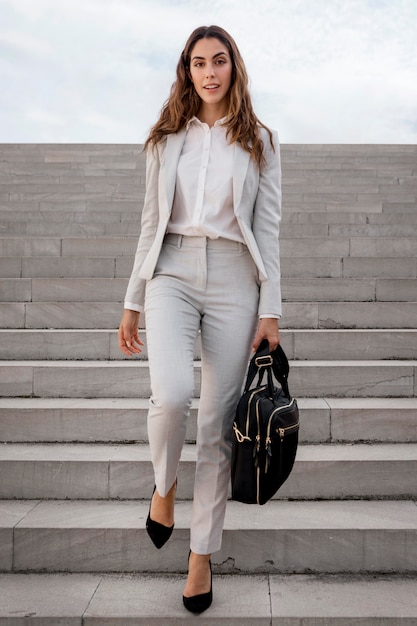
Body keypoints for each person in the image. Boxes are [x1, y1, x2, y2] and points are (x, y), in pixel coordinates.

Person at [118, 24, 282, 614]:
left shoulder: (260, 140)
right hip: (172, 273)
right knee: (172, 395)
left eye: (218, 61)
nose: (208, 73)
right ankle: (163, 489)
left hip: (238, 279)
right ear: (186, 73)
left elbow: (267, 230)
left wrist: (272, 310)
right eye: (197, 64)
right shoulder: (165, 140)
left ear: (233, 67)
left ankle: (200, 557)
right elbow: (148, 223)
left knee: (215, 424)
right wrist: (133, 298)